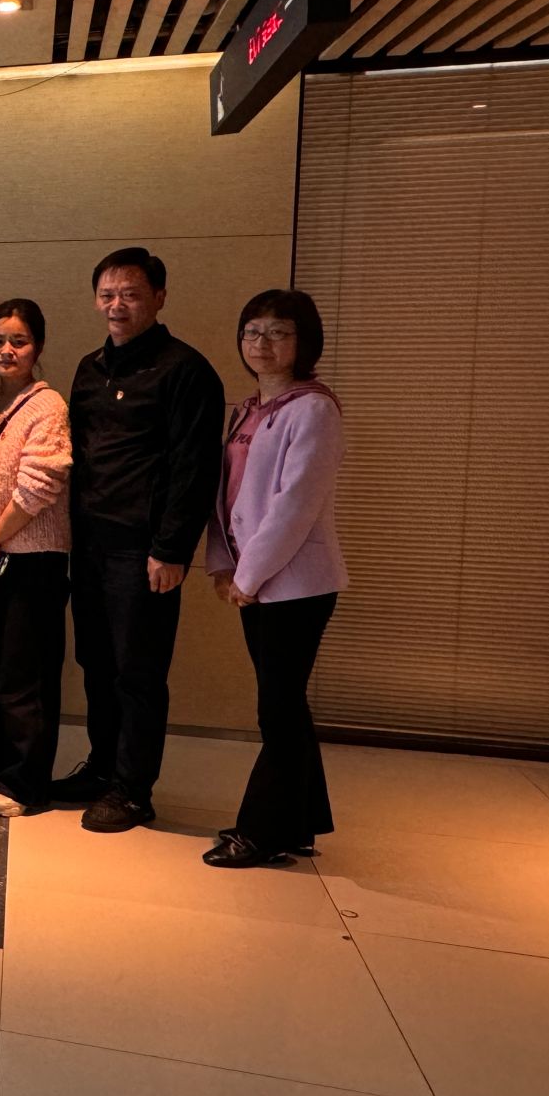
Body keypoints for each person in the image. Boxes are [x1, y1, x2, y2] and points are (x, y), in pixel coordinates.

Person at [56, 247, 225, 831]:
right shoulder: (89, 368)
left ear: (159, 298)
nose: (117, 305)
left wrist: (172, 549)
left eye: (130, 294)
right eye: (107, 294)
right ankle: (102, 768)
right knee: (96, 664)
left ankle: (133, 790)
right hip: (90, 544)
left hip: (145, 549)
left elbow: (194, 468)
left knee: (139, 672)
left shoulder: (186, 370)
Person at [202, 289, 346, 868]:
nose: (263, 343)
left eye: (279, 332)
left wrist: (250, 574)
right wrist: (223, 564)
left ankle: (261, 832)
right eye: (253, 331)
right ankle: (300, 823)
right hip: (257, 579)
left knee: (277, 709)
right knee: (286, 705)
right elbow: (226, 496)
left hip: (297, 584)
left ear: (304, 342)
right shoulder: (247, 409)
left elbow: (295, 506)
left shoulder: (314, 409)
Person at [0, 299, 72, 817]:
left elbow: (41, 483)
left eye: (19, 341)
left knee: (23, 674)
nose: (6, 350)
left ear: (38, 347)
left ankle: (26, 782)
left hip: (33, 558)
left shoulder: (47, 406)